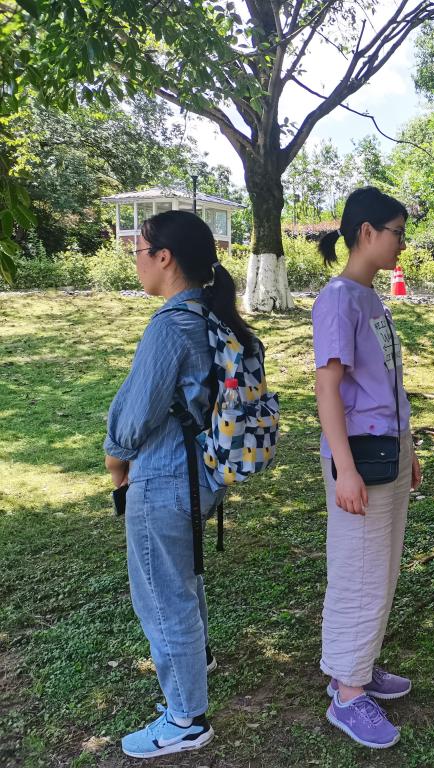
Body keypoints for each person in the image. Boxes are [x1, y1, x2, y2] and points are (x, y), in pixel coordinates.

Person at [105, 211, 256, 758]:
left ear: (164, 257)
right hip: (203, 474)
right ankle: (199, 659)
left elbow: (135, 414)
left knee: (163, 596)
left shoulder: (170, 326)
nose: (137, 262)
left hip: (165, 478)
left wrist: (115, 461)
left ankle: (186, 719)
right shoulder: (213, 317)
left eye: (139, 251)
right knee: (184, 582)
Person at [313, 187, 422, 749]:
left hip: (389, 449)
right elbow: (327, 389)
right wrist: (345, 469)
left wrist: (409, 449)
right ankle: (348, 692)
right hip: (360, 456)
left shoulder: (369, 296)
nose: (402, 243)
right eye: (396, 233)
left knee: (380, 566)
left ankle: (360, 663)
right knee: (357, 569)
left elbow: (384, 385)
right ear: (366, 233)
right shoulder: (338, 299)